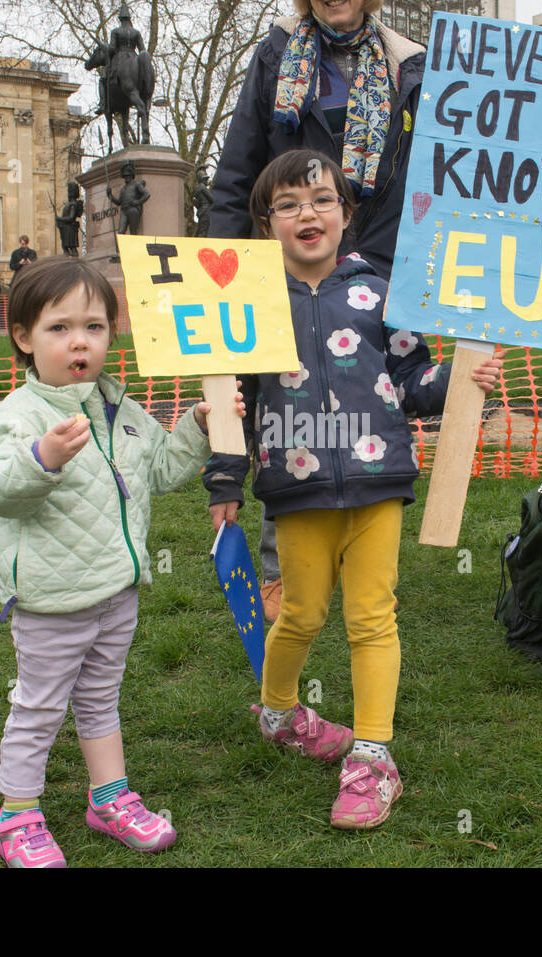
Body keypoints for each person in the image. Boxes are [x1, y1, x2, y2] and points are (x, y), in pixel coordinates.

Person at [203, 150, 502, 830]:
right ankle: (279, 713)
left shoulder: (383, 292)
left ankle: (372, 755)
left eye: (321, 198)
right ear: (265, 221)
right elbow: (231, 398)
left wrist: (458, 378)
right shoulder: (246, 301)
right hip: (294, 487)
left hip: (377, 483)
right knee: (302, 614)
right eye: (287, 203)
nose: (306, 213)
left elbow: (411, 380)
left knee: (373, 615)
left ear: (346, 212)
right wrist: (224, 477)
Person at [0, 256, 243, 867]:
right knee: (38, 704)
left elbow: (165, 469)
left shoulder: (119, 408)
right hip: (50, 598)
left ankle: (109, 799)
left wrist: (199, 425)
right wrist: (41, 458)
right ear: (23, 337)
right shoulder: (18, 417)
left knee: (100, 697)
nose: (79, 341)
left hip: (118, 591)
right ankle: (17, 815)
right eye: (60, 327)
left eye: (94, 327)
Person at [211, 0, 427, 619]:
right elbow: (235, 175)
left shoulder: (410, 64)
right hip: (285, 272)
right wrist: (224, 280)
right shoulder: (275, 54)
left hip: (375, 265)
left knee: (366, 401)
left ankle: (363, 562)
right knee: (289, 400)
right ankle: (284, 576)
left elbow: (426, 177)